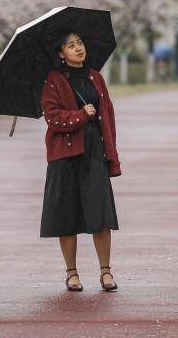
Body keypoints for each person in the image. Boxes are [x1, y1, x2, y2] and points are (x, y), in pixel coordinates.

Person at [39, 31, 121, 292]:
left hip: (94, 153)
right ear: (62, 53)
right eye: (71, 46)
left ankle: (106, 272)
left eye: (81, 43)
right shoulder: (53, 80)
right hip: (64, 156)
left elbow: (108, 116)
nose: (78, 48)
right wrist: (80, 115)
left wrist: (111, 153)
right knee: (67, 215)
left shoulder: (95, 76)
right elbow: (52, 116)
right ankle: (71, 273)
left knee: (101, 214)